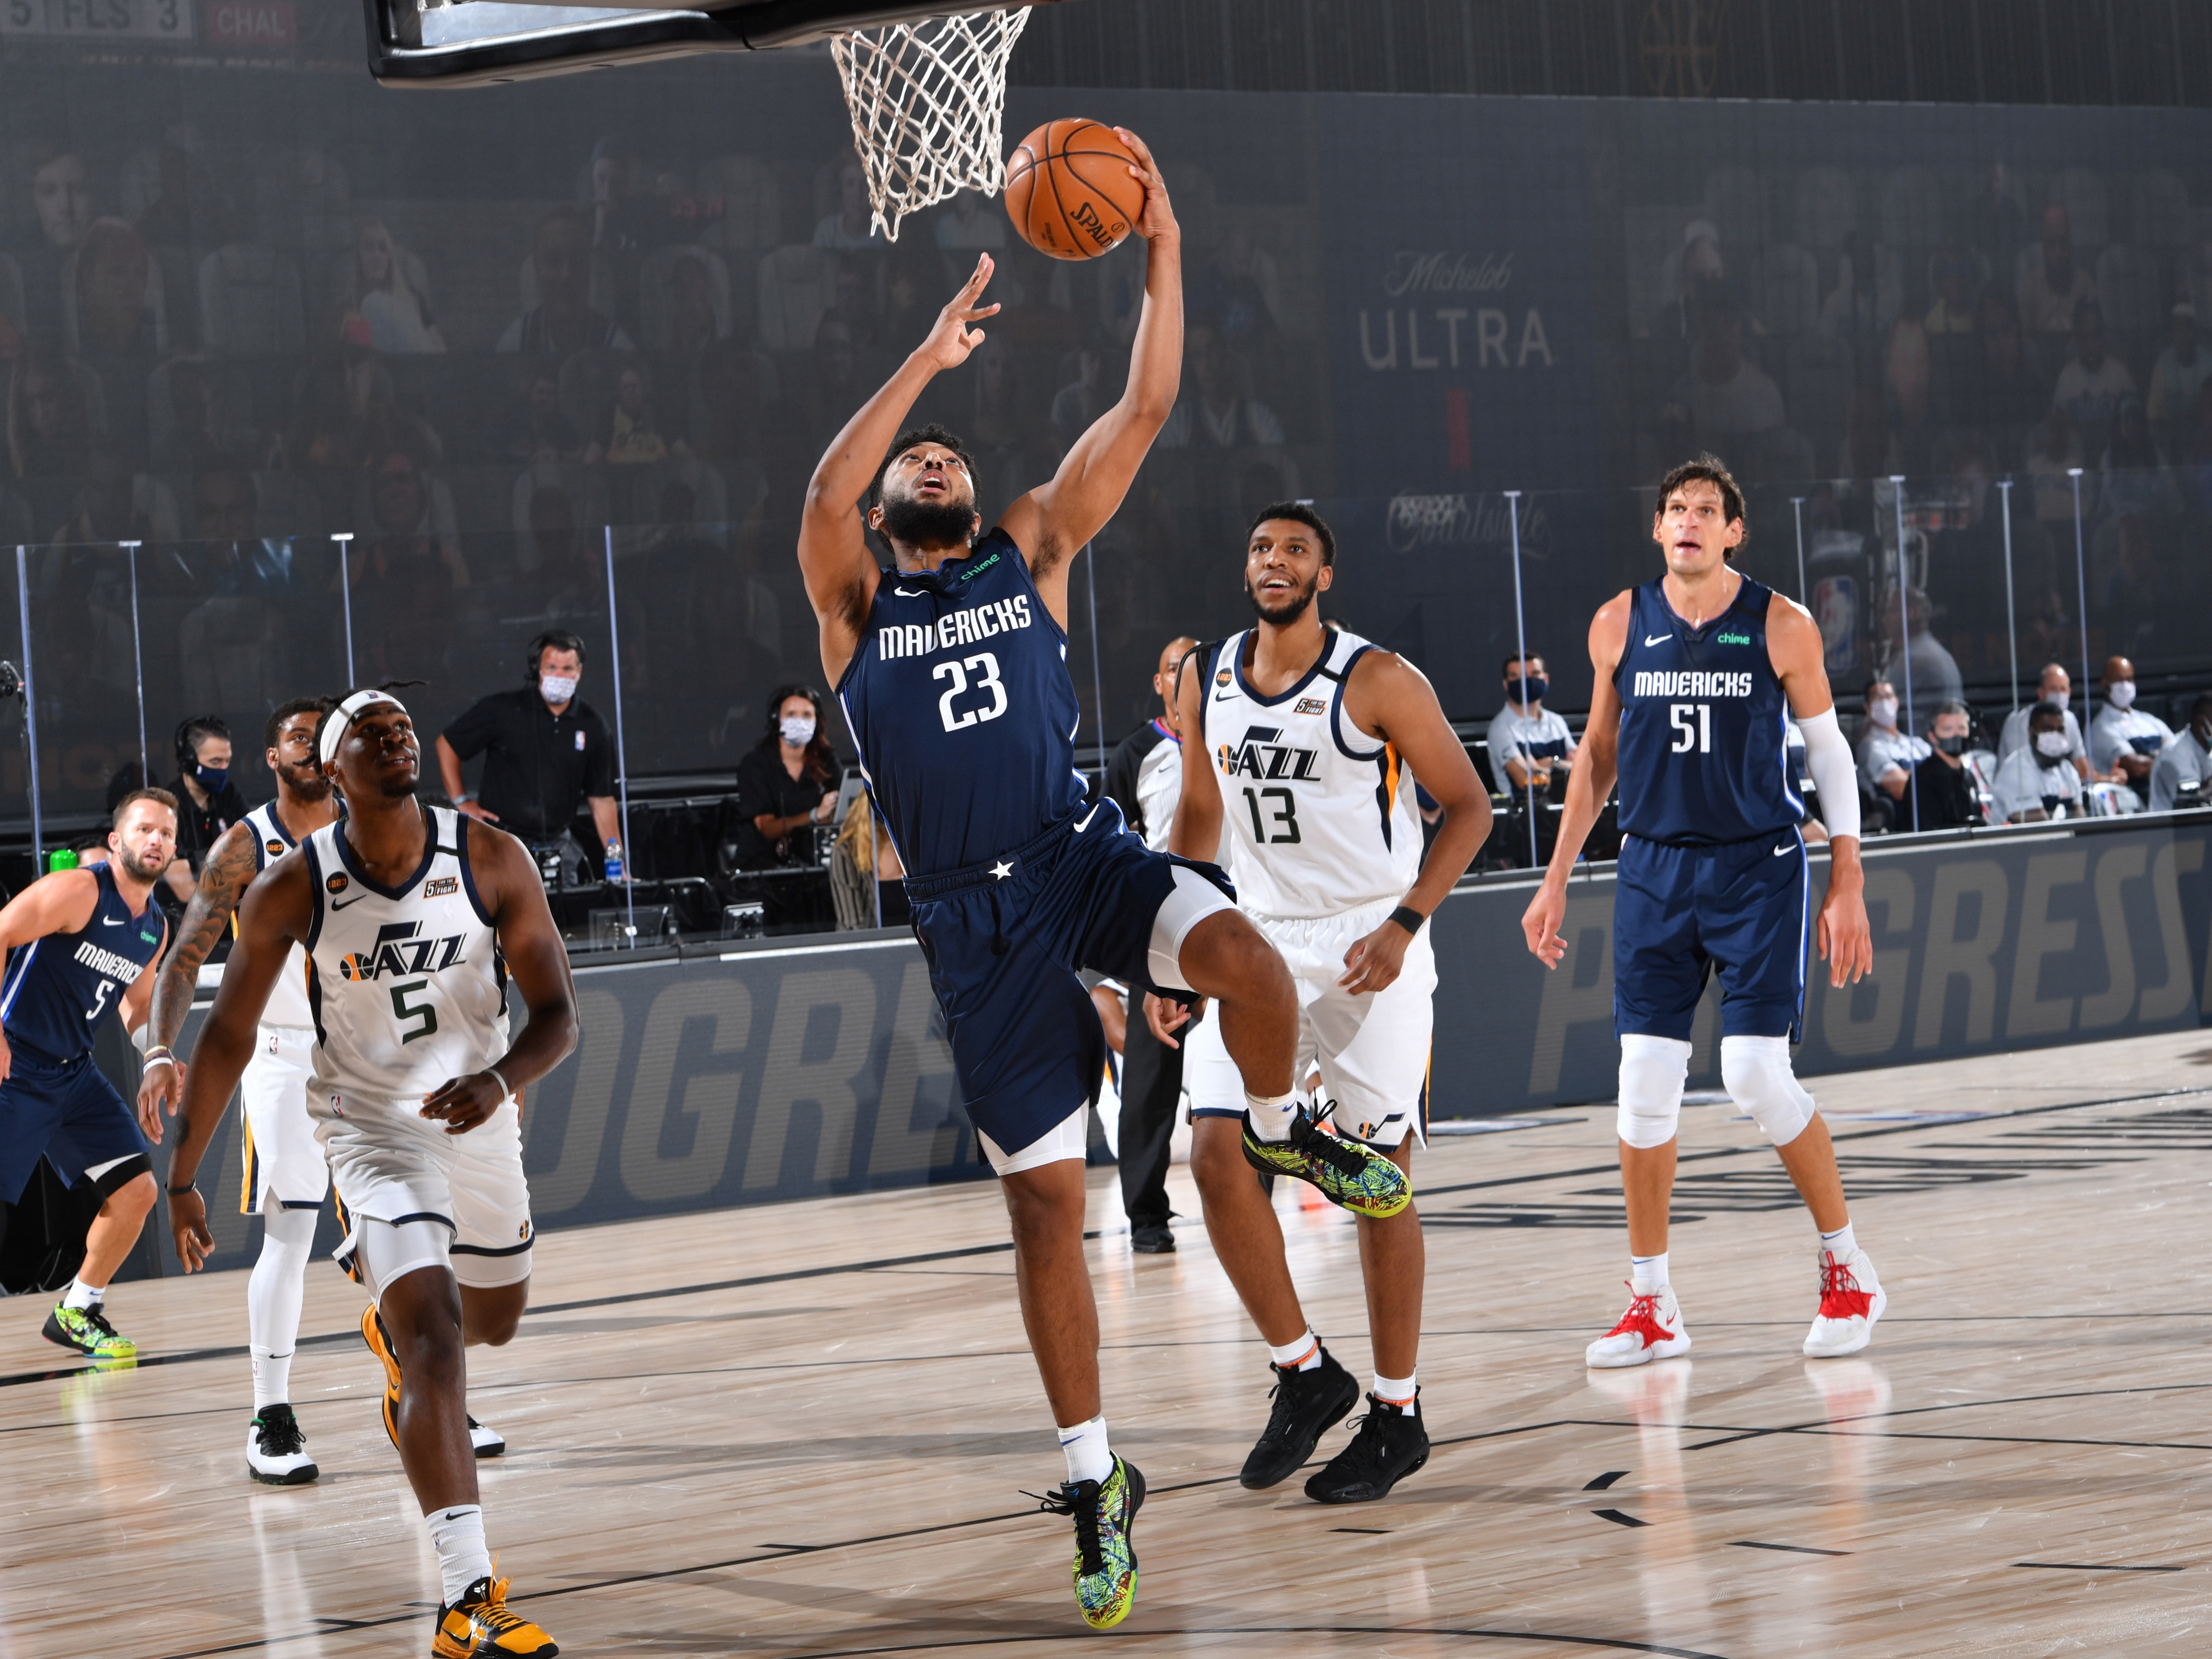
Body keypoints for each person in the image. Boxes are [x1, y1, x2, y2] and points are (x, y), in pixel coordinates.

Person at [797, 136, 1401, 1629]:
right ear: (887, 512)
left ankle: (1283, 1131)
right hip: (966, 918)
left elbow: (1144, 405)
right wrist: (927, 363)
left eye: (949, 455)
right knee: (1043, 1217)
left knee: (1251, 967)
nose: (936, 466)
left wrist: (1166, 251)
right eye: (915, 468)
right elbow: (820, 485)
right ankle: (1093, 1476)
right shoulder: (854, 602)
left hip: (1076, 859)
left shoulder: (1031, 552)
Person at [162, 689, 579, 1656]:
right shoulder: (292, 883)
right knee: (434, 1340)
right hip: (369, 1128)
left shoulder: (486, 854)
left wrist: (501, 1078)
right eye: (370, 733)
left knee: (494, 1320)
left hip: (476, 1113)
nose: (396, 737)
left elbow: (559, 1013)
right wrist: (183, 1173)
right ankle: (466, 1597)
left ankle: (395, 1329)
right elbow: (224, 1033)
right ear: (332, 771)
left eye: (403, 726)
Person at [1521, 456, 1884, 1373]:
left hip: (1757, 868)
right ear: (1657, 528)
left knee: (1755, 1074)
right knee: (1641, 1085)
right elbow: (1595, 760)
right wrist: (1555, 877)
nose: (1689, 520)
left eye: (1707, 510)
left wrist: (1847, 879)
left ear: (1733, 533)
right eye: (1675, 508)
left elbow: (1832, 758)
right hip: (1650, 869)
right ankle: (1652, 1304)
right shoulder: (1617, 622)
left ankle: (1848, 1268)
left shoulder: (1780, 623)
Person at [1163, 502, 1492, 1504]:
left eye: (1294, 549)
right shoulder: (1204, 674)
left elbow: (1470, 807)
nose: (1273, 560)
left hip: (1364, 940)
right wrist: (1170, 947)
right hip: (1256, 940)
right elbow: (1198, 813)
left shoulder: (1377, 678)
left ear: (1324, 574)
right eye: (1260, 545)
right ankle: (1305, 1372)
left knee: (1373, 1179)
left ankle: (1397, 1413)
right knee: (1216, 1154)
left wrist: (1403, 924)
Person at [137, 701, 339, 1480]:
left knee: (410, 1233)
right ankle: (271, 1415)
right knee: (293, 1232)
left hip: (366, 1054)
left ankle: (432, 1392)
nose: (314, 749)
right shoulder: (247, 843)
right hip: (285, 1052)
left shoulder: (376, 825)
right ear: (271, 755)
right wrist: (160, 1048)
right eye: (299, 737)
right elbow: (186, 957)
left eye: (325, 739)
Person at [0, 790, 175, 1359]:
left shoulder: (155, 925)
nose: (156, 840)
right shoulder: (79, 888)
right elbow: (1, 932)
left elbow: (139, 1003)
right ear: (115, 840)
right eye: (145, 828)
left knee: (137, 1191)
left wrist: (157, 1057)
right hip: (17, 1062)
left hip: (73, 1074)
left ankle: (77, 1309)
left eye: (167, 834)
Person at [1099, 635, 1201, 1255]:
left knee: (1253, 1073)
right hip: (1159, 931)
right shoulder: (1136, 753)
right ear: (1160, 683)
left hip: (1232, 924)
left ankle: (1257, 1190)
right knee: (1148, 1084)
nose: (1182, 677)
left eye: (1194, 667)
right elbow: (1108, 858)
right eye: (1173, 668)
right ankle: (1146, 1215)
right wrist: (1107, 975)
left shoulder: (1231, 740)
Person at [436, 631, 620, 888]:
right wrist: (461, 801)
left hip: (559, 847)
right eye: (551, 667)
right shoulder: (505, 710)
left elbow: (602, 799)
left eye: (567, 668)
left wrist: (617, 864)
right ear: (537, 669)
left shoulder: (593, 725)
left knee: (563, 921)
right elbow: (448, 743)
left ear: (579, 671)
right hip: (502, 843)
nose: (559, 676)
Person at [731, 685, 840, 871]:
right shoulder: (756, 764)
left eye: (807, 715)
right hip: (763, 869)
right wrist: (814, 815)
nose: (800, 721)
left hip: (816, 864)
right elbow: (767, 829)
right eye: (791, 714)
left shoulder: (827, 762)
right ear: (777, 721)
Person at [164, 715, 250, 906]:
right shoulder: (167, 809)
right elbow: (185, 890)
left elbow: (254, 856)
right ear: (189, 761)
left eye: (227, 761)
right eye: (215, 762)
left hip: (233, 915)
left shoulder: (231, 796)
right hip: (186, 922)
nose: (223, 770)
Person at [2089, 655, 2174, 805]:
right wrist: (2161, 756)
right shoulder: (2101, 727)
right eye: (2119, 680)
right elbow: (2138, 768)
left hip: (2166, 797)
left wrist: (2153, 759)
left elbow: (2177, 750)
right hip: (2133, 806)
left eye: (2129, 679)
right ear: (2105, 684)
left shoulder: (2149, 720)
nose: (2125, 685)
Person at [1488, 653, 1578, 794]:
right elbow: (1530, 781)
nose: (1526, 681)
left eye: (1534, 674)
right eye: (1516, 676)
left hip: (1567, 807)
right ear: (1506, 684)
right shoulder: (1501, 729)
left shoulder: (1556, 722)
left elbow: (1584, 768)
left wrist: (1551, 763)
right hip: (1527, 813)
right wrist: (1564, 767)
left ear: (1546, 679)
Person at [1991, 701, 2086, 822]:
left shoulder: (2068, 771)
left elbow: (2080, 818)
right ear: (2031, 732)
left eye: (2060, 730)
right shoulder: (2016, 769)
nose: (2055, 736)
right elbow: (2038, 824)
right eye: (2048, 729)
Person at [1998, 663, 2093, 781]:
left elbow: (2083, 770)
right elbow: (2020, 773)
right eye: (2053, 689)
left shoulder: (2070, 719)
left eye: (2063, 689)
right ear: (2041, 693)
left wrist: (2110, 778)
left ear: (2069, 693)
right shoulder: (2018, 722)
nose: (2059, 695)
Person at [1907, 701, 1982, 830]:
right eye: (1948, 729)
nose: (1956, 735)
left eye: (1962, 728)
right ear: (1932, 736)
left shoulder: (1969, 777)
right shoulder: (1922, 780)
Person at [1856, 679, 1926, 810]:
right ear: (1867, 707)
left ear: (1897, 702)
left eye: (1888, 697)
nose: (1884, 703)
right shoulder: (1871, 747)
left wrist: (1907, 774)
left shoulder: (1917, 744)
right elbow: (1903, 790)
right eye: (1878, 698)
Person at [2149, 693, 2212, 813]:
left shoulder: (2209, 747)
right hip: (2170, 827)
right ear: (2201, 722)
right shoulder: (2174, 753)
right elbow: (2192, 800)